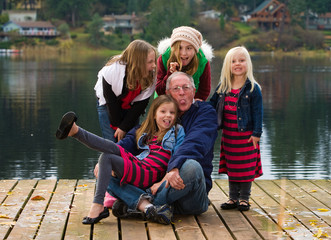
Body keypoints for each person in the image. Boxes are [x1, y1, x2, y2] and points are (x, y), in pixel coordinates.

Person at [55, 95, 185, 225]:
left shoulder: (177, 131)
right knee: (105, 159)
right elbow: (124, 145)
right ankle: (98, 205)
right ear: (154, 115)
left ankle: (77, 132)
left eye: (172, 112)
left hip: (150, 173)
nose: (168, 115)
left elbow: (178, 155)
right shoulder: (146, 131)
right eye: (163, 111)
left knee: (108, 159)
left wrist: (162, 181)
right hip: (139, 165)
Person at [107, 72, 218, 217]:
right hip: (154, 185)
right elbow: (133, 137)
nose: (182, 92)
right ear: (168, 93)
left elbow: (195, 143)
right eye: (176, 88)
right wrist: (109, 156)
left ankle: (138, 203)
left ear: (194, 91)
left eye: (186, 87)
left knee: (192, 166)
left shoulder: (205, 112)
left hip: (188, 195)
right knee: (106, 169)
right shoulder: (163, 115)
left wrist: (173, 169)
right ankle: (151, 208)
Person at [209, 46, 263, 211]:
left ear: (248, 63)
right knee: (232, 167)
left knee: (245, 168)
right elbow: (211, 105)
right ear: (227, 65)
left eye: (241, 60)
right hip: (229, 136)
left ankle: (244, 199)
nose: (237, 64)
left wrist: (256, 133)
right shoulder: (223, 87)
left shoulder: (253, 88)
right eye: (233, 61)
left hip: (246, 136)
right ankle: (233, 198)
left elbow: (258, 113)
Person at [95, 39, 157, 143]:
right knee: (112, 143)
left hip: (132, 106)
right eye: (150, 62)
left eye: (154, 61)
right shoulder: (112, 71)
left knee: (131, 141)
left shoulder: (151, 74)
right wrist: (119, 128)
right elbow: (111, 103)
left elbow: (140, 105)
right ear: (138, 62)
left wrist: (124, 127)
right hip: (108, 104)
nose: (154, 65)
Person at [155, 26, 213, 101]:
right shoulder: (164, 58)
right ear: (173, 48)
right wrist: (170, 75)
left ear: (195, 50)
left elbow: (204, 91)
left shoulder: (202, 62)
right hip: (165, 101)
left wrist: (189, 104)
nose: (184, 53)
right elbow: (159, 91)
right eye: (179, 48)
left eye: (189, 48)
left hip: (191, 102)